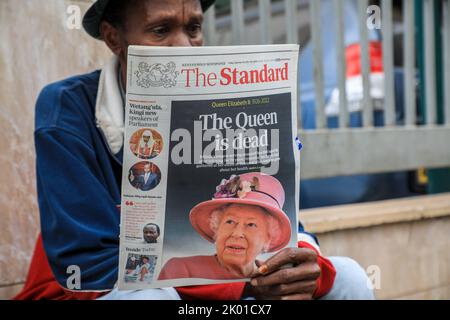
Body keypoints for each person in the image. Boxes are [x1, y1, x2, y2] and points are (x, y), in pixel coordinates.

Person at [15, 0, 374, 300]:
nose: (184, 48)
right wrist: (243, 281)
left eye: (193, 29)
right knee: (152, 297)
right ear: (113, 38)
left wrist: (302, 262)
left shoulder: (227, 103)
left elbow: (284, 224)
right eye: (160, 30)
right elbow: (89, 265)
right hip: (99, 290)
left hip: (220, 284)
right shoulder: (67, 108)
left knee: (349, 277)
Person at [159, 173, 292, 280]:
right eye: (230, 222)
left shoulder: (275, 276)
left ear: (268, 238)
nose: (237, 233)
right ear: (216, 228)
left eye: (251, 224)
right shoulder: (182, 268)